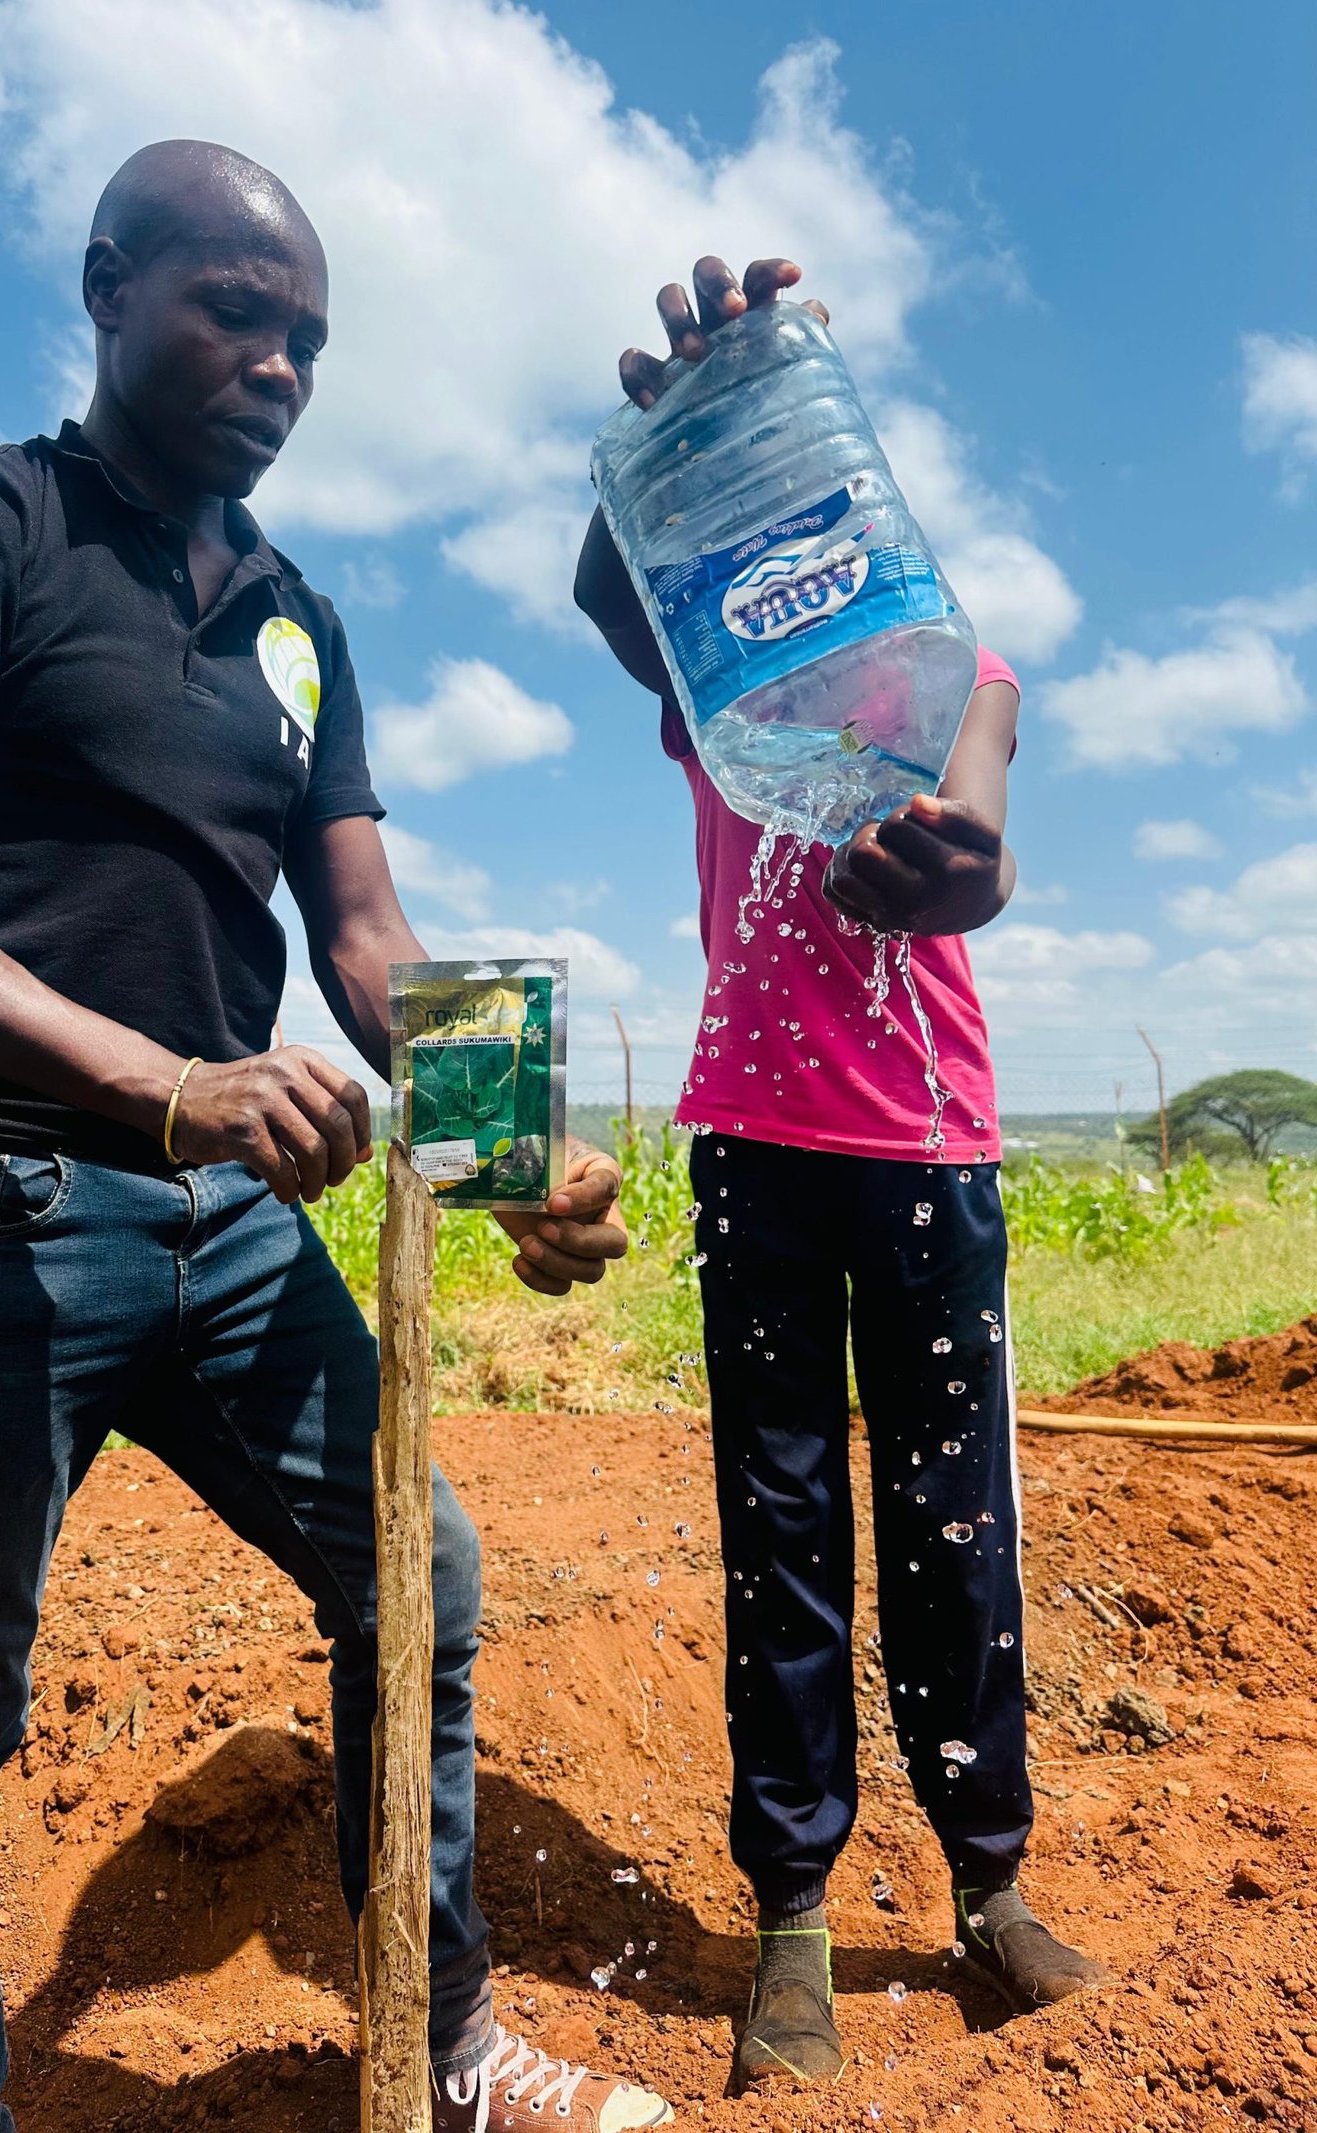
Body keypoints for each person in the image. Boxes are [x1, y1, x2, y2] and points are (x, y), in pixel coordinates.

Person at [0, 141, 672, 2133]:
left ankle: (440, 2045)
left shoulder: (295, 619)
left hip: (227, 1217)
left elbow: (360, 935)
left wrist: (508, 1152)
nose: (279, 366)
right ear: (108, 289)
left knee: (414, 1575)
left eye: (310, 343)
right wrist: (169, 1080)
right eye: (236, 312)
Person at [575, 252, 1110, 2092]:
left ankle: (988, 1886)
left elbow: (983, 837)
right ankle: (792, 1918)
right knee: (782, 1525)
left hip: (929, 1142)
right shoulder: (725, 662)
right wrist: (672, 432)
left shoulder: (965, 666)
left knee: (957, 1523)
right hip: (755, 1144)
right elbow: (614, 594)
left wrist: (968, 874)